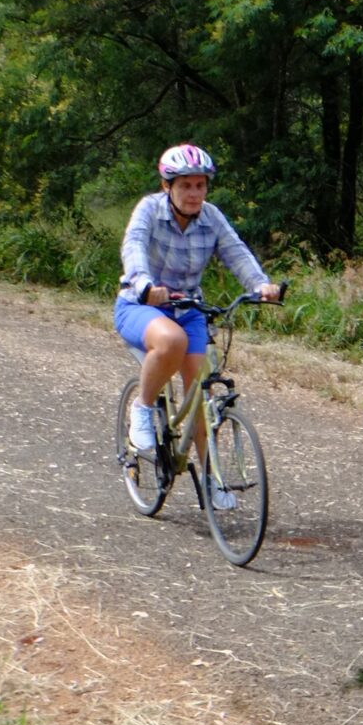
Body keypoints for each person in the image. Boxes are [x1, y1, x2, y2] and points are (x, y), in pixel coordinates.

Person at [117, 143, 281, 505]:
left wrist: (259, 285)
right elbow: (134, 247)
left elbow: (236, 251)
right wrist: (145, 284)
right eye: (185, 185)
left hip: (190, 308)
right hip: (141, 305)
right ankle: (143, 409)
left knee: (201, 394)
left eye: (200, 185)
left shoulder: (211, 217)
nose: (194, 193)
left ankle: (213, 479)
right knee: (171, 342)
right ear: (167, 186)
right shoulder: (149, 210)